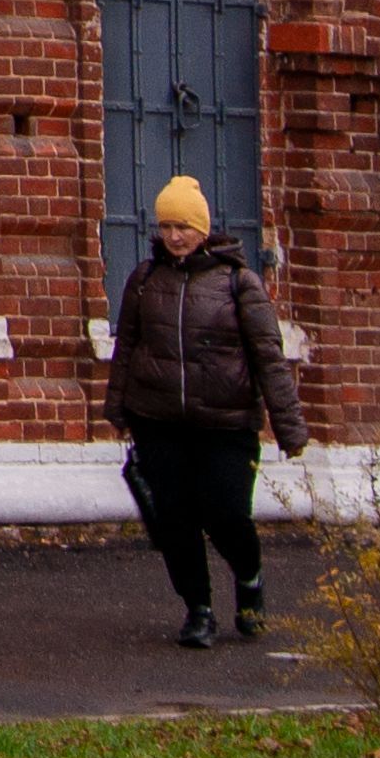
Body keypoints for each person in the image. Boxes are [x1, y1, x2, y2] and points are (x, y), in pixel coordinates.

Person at [109, 173, 304, 643]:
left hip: (225, 424)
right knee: (174, 522)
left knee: (226, 514)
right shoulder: (145, 279)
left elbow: (268, 357)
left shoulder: (239, 282)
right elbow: (128, 346)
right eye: (166, 226)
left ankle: (250, 579)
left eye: (183, 227)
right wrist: (117, 409)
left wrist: (289, 426)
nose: (174, 237)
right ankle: (199, 609)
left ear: (203, 228)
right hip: (159, 422)